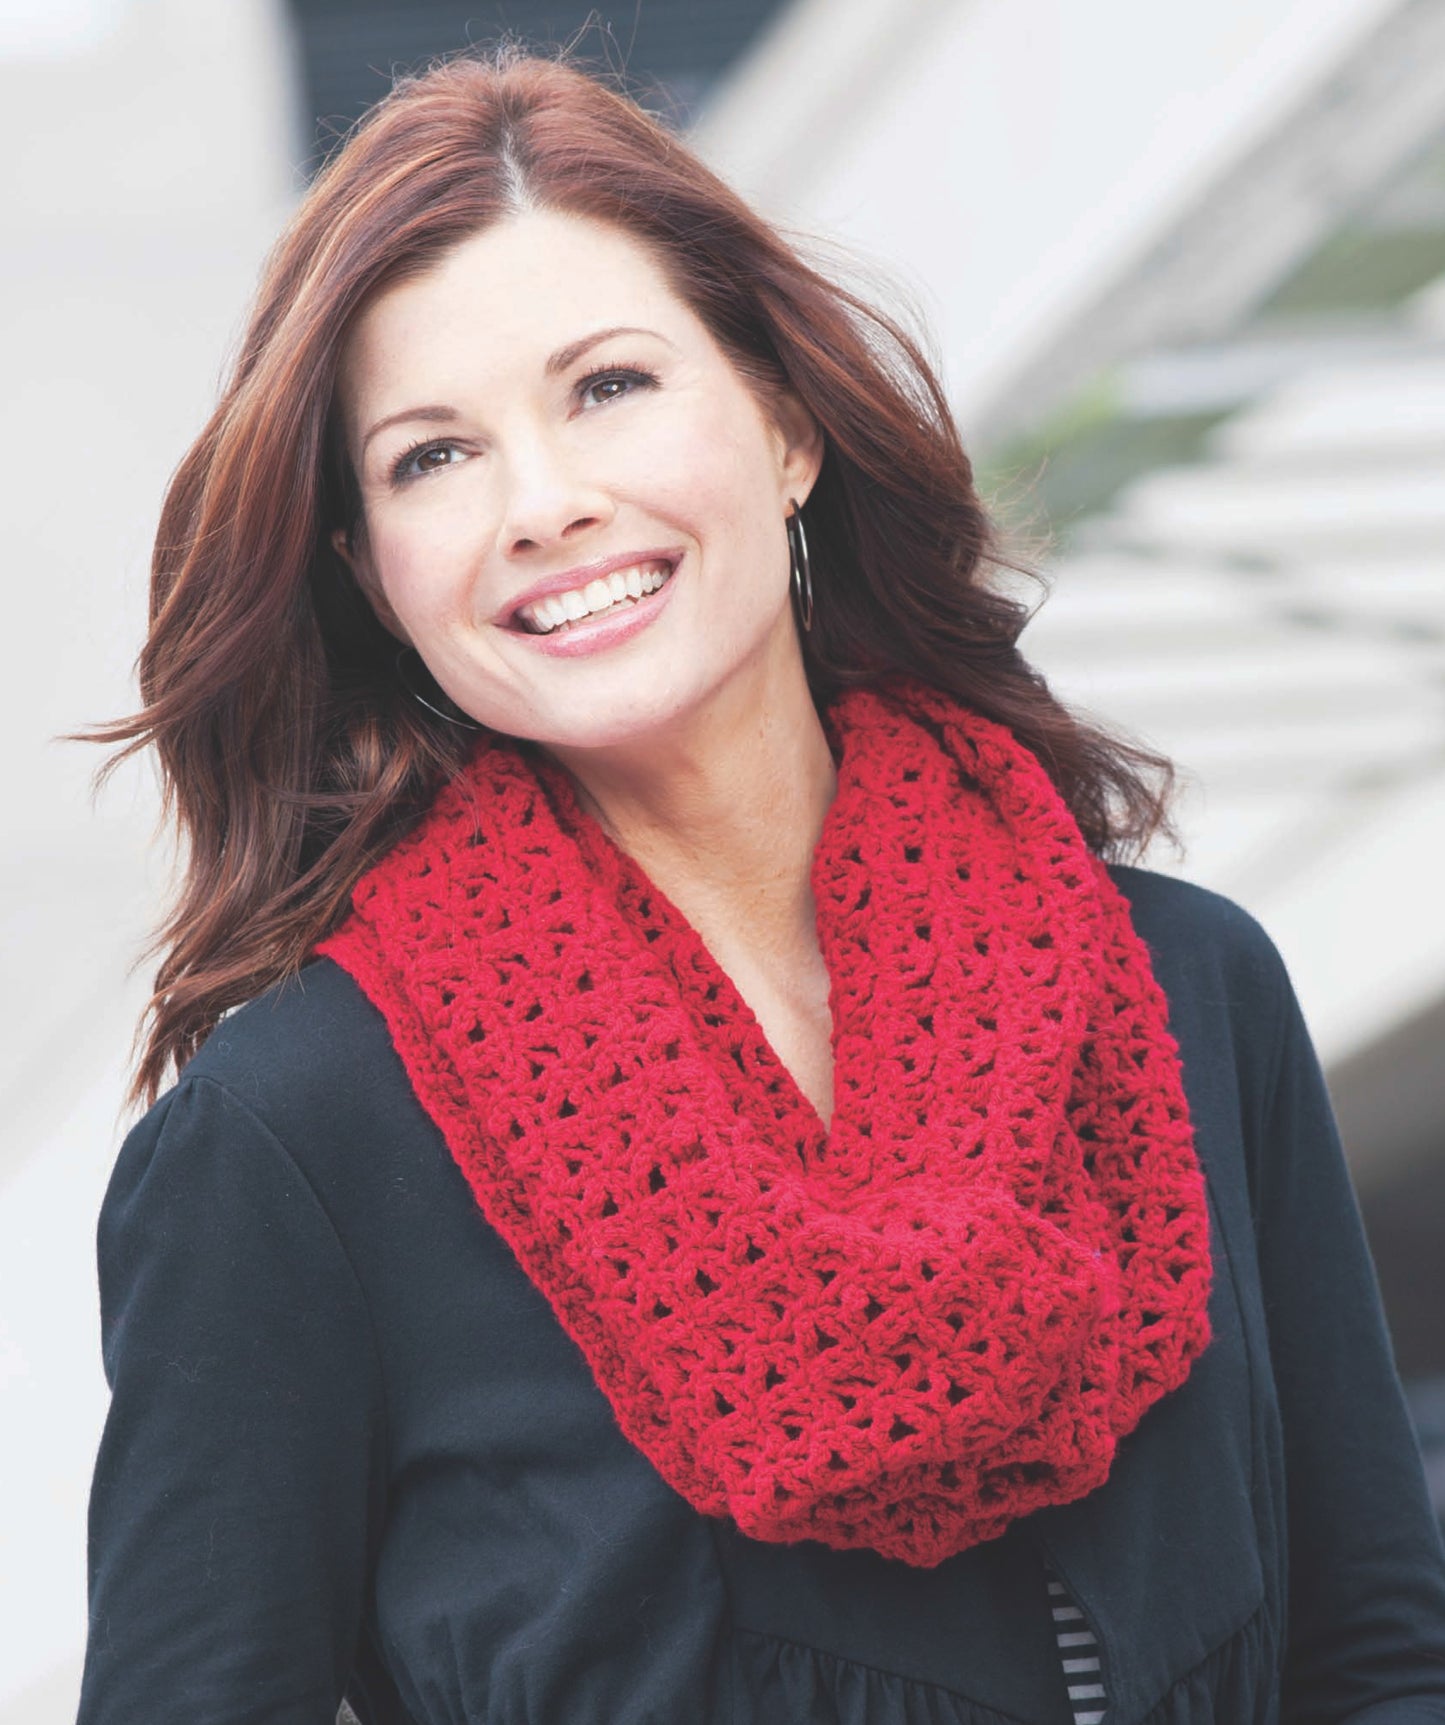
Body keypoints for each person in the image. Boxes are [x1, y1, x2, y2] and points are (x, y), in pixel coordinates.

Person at [76, 45, 1445, 1725]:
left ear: (784, 424)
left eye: (608, 387)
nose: (545, 503)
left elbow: (1376, 1654)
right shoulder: (294, 1143)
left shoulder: (1186, 992)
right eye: (432, 457)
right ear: (371, 578)